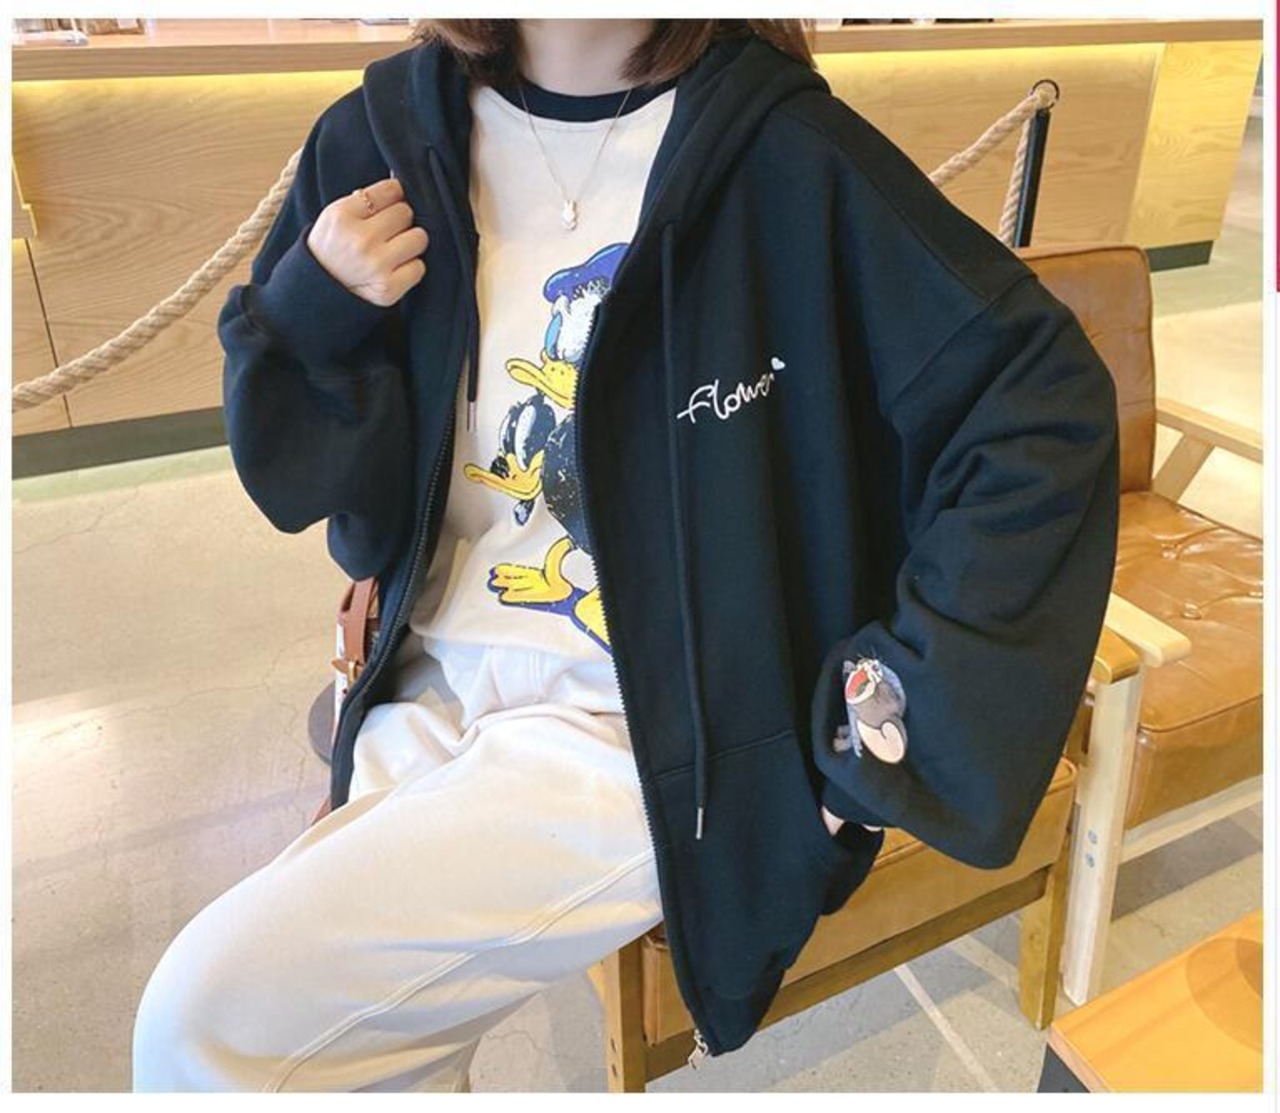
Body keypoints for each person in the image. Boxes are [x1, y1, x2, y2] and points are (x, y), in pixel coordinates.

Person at [133, 17, 1120, 1092]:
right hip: (424, 681)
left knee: (207, 1021)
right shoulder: (379, 139)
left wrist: (883, 736)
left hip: (639, 734)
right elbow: (297, 484)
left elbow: (1037, 408)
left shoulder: (785, 154)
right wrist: (310, 312)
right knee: (372, 1062)